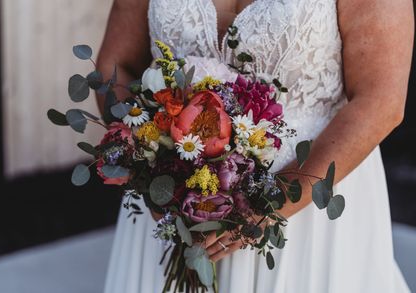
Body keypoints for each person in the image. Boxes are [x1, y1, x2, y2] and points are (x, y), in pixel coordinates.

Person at [97, 0, 414, 292]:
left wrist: (271, 206)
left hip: (305, 214)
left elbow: (381, 101)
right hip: (173, 208)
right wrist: (149, 166)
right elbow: (115, 65)